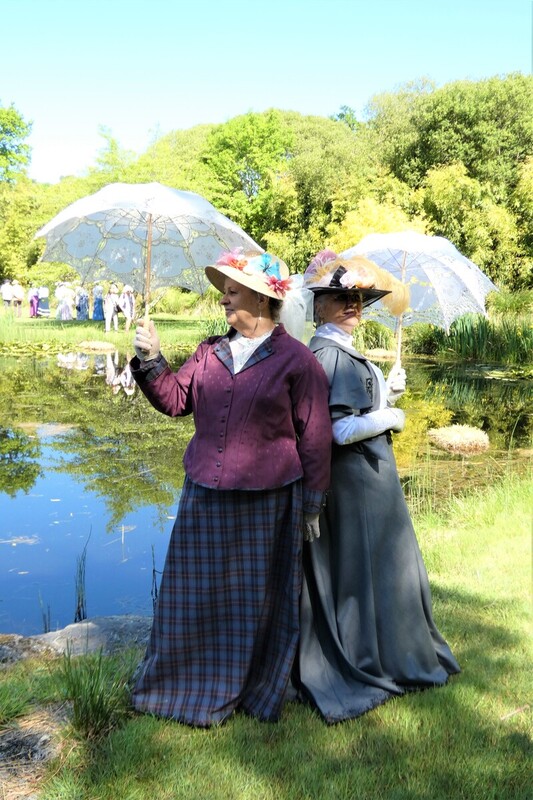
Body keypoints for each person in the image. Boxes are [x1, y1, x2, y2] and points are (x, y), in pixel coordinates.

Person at [129, 249, 332, 727]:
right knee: (191, 595)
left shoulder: (298, 361)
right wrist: (151, 358)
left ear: (261, 299)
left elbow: (316, 438)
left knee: (252, 601)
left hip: (268, 501)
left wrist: (312, 504)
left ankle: (251, 688)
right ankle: (182, 683)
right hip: (204, 493)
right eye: (224, 290)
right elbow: (175, 399)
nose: (223, 298)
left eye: (232, 290)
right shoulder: (209, 352)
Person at [296, 249, 460, 724]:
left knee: (371, 568)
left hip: (364, 480)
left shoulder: (335, 350)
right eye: (342, 298)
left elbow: (355, 408)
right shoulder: (331, 354)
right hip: (357, 484)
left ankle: (381, 648)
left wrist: (387, 391)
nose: (354, 306)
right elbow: (339, 430)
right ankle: (375, 655)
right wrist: (392, 416)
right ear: (319, 305)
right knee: (372, 567)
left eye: (360, 299)